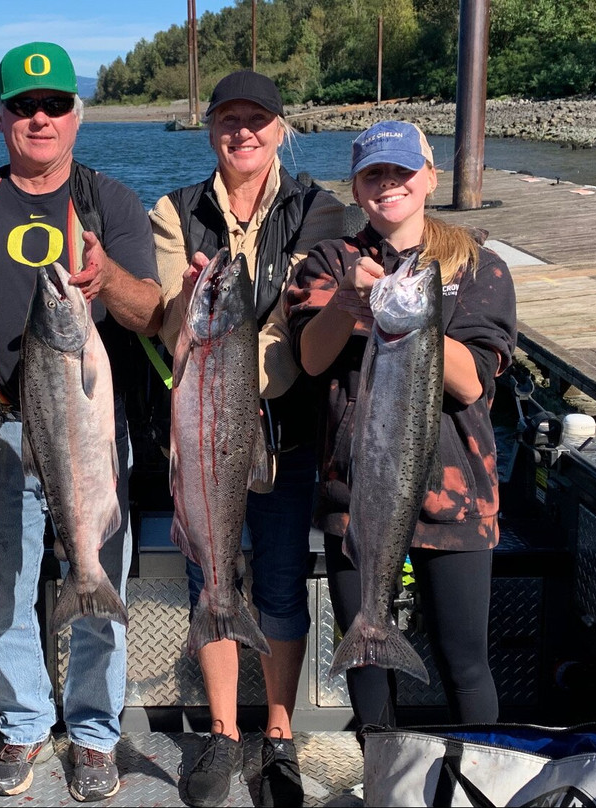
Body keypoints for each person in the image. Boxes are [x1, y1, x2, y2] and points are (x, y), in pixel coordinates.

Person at [0, 42, 162, 803]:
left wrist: (108, 280)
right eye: (24, 106)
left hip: (91, 433)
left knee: (100, 577)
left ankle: (94, 735)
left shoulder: (110, 203)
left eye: (55, 104)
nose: (40, 117)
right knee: (5, 591)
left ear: (76, 116)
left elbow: (149, 312)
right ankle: (25, 721)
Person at [150, 70, 344, 808]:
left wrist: (227, 326)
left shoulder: (319, 209)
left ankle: (282, 732)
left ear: (281, 128)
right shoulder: (174, 211)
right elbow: (173, 325)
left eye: (256, 119)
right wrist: (199, 303)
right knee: (211, 580)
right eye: (228, 119)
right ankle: (226, 732)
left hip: (287, 430)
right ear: (210, 131)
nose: (243, 132)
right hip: (203, 433)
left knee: (283, 582)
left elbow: (298, 321)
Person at [286, 120, 518, 733]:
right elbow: (310, 359)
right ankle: (386, 784)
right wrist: (345, 303)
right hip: (354, 497)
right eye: (374, 175)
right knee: (367, 656)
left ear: (430, 178)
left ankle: (473, 785)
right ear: (357, 188)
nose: (389, 185)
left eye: (402, 172)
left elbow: (473, 383)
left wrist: (411, 319)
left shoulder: (478, 266)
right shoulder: (330, 262)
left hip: (457, 500)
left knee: (465, 663)